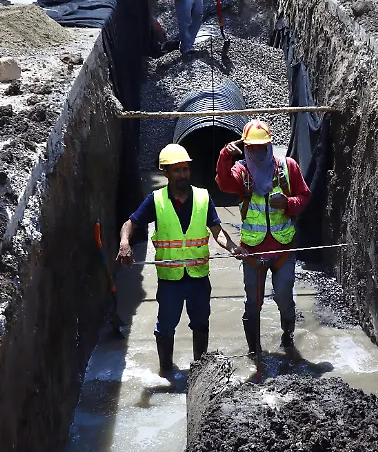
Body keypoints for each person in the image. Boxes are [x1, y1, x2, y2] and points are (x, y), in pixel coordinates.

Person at [118, 144, 243, 377]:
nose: (183, 175)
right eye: (177, 170)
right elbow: (130, 223)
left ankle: (200, 373)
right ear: (165, 173)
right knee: (165, 327)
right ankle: (165, 370)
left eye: (185, 169)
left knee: (201, 324)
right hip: (170, 280)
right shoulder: (156, 201)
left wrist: (233, 247)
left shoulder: (204, 198)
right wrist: (125, 244)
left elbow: (217, 231)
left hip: (198, 278)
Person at [215, 120, 311, 356]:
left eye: (261, 147)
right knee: (252, 305)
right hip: (252, 253)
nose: (257, 153)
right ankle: (253, 352)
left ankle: (288, 341)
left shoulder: (287, 168)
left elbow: (305, 197)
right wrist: (224, 156)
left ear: (269, 146)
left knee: (285, 299)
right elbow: (224, 183)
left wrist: (288, 204)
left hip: (283, 251)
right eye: (252, 148)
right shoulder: (241, 172)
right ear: (245, 148)